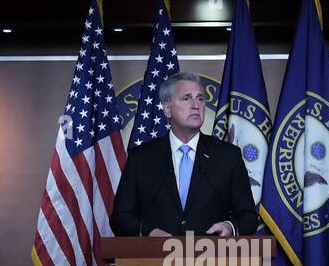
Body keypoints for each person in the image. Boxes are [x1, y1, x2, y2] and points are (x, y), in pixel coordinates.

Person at [110, 72, 259, 238]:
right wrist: (149, 232)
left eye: (200, 98)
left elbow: (248, 216)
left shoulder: (228, 156)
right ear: (167, 109)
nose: (196, 105)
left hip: (211, 258)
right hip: (155, 258)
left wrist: (230, 226)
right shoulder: (142, 157)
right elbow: (120, 217)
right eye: (187, 98)